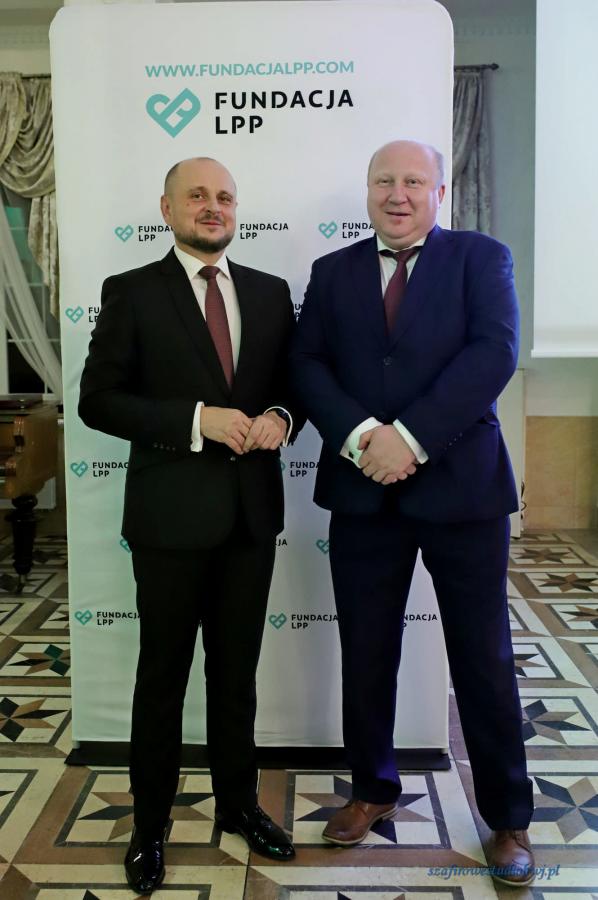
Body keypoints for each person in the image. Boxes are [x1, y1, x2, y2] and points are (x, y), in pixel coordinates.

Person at [289, 140, 535, 887]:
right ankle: (372, 789)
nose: (397, 194)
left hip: (463, 493)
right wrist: (367, 438)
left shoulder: (481, 258)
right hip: (364, 489)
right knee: (366, 651)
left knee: (484, 655)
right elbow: (307, 364)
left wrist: (413, 439)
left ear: (439, 191)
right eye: (383, 181)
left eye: (413, 181)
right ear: (368, 190)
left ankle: (508, 818)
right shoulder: (332, 272)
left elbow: (493, 354)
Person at [79, 157, 298, 895]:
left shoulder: (269, 293)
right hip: (169, 522)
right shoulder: (132, 291)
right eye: (197, 195)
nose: (213, 206)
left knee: (236, 678)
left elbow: (292, 386)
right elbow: (98, 400)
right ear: (167, 208)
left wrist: (280, 417)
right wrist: (196, 420)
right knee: (162, 679)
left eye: (225, 196)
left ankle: (239, 805)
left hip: (250, 520)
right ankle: (149, 826)